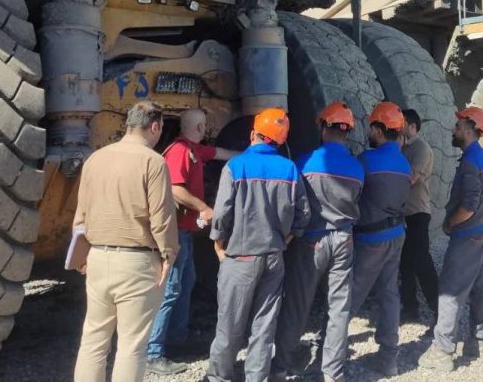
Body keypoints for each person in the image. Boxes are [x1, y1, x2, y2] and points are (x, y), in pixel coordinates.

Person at [73, 101, 179, 382]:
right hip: (137, 263)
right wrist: (169, 254)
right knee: (132, 347)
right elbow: (162, 218)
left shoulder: (95, 159)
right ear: (154, 127)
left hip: (97, 257)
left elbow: (81, 214)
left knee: (93, 341)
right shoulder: (153, 162)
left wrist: (81, 255)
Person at [205, 108, 311, 382]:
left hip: (240, 257)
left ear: (253, 134)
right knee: (264, 326)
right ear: (280, 140)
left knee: (229, 325)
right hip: (274, 257)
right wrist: (286, 239)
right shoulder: (290, 169)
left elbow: (222, 213)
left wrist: (218, 243)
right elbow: (303, 215)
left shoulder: (235, 166)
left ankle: (219, 377)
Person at [270, 102, 365, 382]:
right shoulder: (357, 167)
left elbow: (292, 203)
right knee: (339, 308)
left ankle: (280, 367)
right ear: (347, 132)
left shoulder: (305, 162)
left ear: (323, 127)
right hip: (344, 240)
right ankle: (333, 372)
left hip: (313, 241)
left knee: (297, 304)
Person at [146, 109, 236, 375]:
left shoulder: (195, 150)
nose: (206, 129)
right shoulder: (180, 151)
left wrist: (251, 153)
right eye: (204, 125)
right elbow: (175, 188)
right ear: (199, 128)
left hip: (184, 233)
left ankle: (178, 337)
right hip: (175, 234)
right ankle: (153, 352)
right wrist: (204, 208)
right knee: (170, 289)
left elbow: (221, 153)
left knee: (186, 283)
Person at [418, 106, 483, 372]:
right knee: (480, 287)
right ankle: (480, 342)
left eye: (458, 126)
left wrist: (450, 223)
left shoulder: (471, 163)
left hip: (467, 236)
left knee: (450, 291)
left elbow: (469, 206)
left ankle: (442, 351)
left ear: (470, 130)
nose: (454, 130)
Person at [349, 102, 413, 376]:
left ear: (378, 130)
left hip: (371, 239)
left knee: (351, 294)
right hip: (396, 235)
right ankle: (388, 359)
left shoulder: (367, 160)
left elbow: (350, 193)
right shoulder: (405, 164)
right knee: (389, 294)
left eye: (371, 127)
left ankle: (328, 353)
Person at [399, 108, 439, 322]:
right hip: (406, 213)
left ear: (412, 126)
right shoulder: (404, 148)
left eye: (402, 123)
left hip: (418, 213)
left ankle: (439, 310)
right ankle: (409, 309)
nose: (398, 126)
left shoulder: (421, 148)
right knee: (405, 264)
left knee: (423, 262)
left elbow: (411, 178)